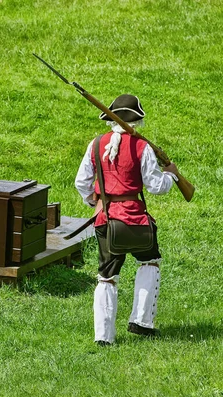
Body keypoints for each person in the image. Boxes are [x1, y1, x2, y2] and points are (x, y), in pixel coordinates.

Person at [74, 94, 179, 346]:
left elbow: (81, 183)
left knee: (106, 276)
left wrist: (97, 202)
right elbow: (156, 186)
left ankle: (103, 337)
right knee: (150, 262)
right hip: (136, 219)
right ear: (137, 120)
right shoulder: (141, 147)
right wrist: (172, 176)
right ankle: (142, 322)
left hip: (105, 219)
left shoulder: (96, 144)